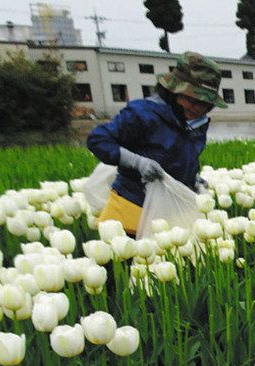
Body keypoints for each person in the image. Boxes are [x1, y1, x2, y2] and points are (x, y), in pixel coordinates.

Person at [86, 52, 223, 234]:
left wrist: (192, 178)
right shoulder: (144, 114)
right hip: (133, 207)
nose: (198, 108)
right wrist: (138, 162)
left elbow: (181, 156)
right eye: (192, 100)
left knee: (172, 256)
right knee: (129, 258)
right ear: (174, 90)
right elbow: (98, 140)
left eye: (205, 104)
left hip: (170, 210)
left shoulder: (196, 123)